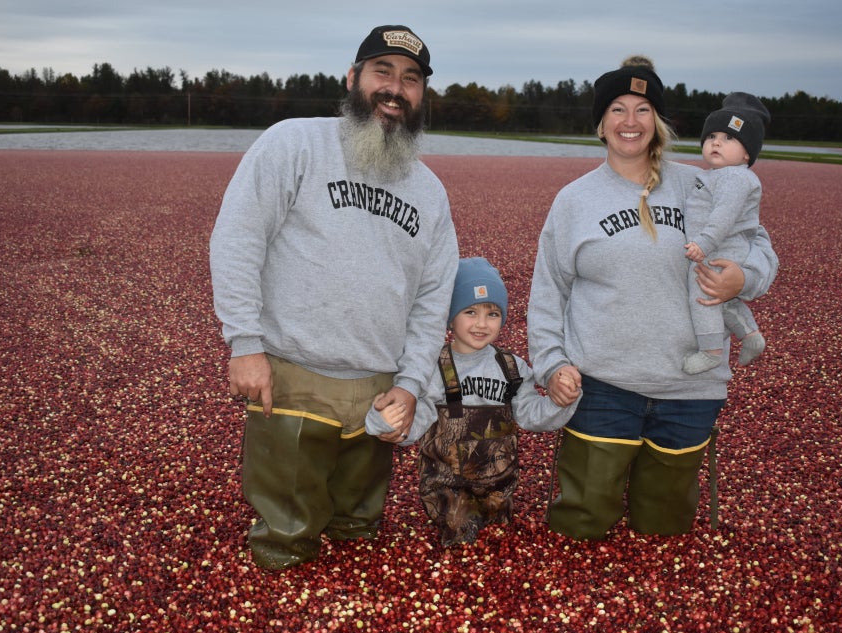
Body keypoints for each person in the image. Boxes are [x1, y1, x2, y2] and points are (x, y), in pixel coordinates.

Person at [208, 25, 459, 570]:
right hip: (292, 380)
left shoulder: (430, 192)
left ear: (422, 95)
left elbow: (432, 300)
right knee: (285, 544)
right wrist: (244, 343)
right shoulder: (294, 143)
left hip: (376, 392)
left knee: (358, 537)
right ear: (352, 78)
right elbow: (238, 238)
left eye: (410, 79)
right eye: (382, 72)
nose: (395, 89)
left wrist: (412, 385)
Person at [527, 56, 779, 538]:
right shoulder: (574, 200)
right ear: (601, 123)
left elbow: (759, 246)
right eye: (617, 109)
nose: (630, 121)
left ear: (658, 121)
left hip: (690, 389)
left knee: (665, 531)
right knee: (582, 526)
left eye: (642, 109)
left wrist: (742, 280)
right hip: (601, 387)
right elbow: (548, 295)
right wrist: (551, 364)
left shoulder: (702, 183)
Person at [366, 257, 579, 547]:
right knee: (460, 530)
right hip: (447, 488)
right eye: (470, 312)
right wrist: (388, 423)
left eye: (492, 314)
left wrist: (561, 401)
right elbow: (416, 421)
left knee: (499, 536)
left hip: (498, 485)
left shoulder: (511, 368)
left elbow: (531, 414)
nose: (481, 323)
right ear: (450, 317)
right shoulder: (435, 369)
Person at [682, 92, 771, 374]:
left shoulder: (735, 177)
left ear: (747, 153)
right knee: (723, 298)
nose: (716, 142)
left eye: (729, 137)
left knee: (701, 293)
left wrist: (704, 243)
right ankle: (750, 335)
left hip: (720, 248)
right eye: (711, 136)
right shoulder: (716, 175)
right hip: (722, 248)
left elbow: (724, 215)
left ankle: (710, 351)